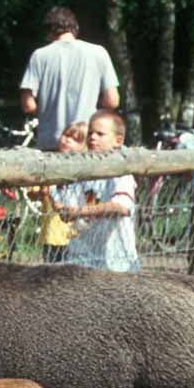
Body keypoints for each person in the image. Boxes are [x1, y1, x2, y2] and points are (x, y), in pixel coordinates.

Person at [19, 7, 120, 151]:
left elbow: (27, 104)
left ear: (48, 32)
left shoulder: (39, 56)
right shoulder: (99, 52)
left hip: (50, 142)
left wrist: (48, 112)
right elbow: (112, 101)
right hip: (85, 141)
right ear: (75, 28)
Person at [57, 110, 139, 272]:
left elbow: (121, 206)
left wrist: (81, 212)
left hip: (116, 263)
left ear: (118, 140)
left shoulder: (121, 173)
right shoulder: (81, 172)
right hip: (82, 259)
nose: (92, 137)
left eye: (100, 134)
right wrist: (62, 208)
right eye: (90, 133)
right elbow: (70, 208)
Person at [31, 121, 87, 264]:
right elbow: (32, 195)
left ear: (84, 147)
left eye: (76, 139)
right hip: (51, 233)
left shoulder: (84, 171)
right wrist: (43, 194)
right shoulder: (48, 164)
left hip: (74, 234)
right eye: (66, 135)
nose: (68, 140)